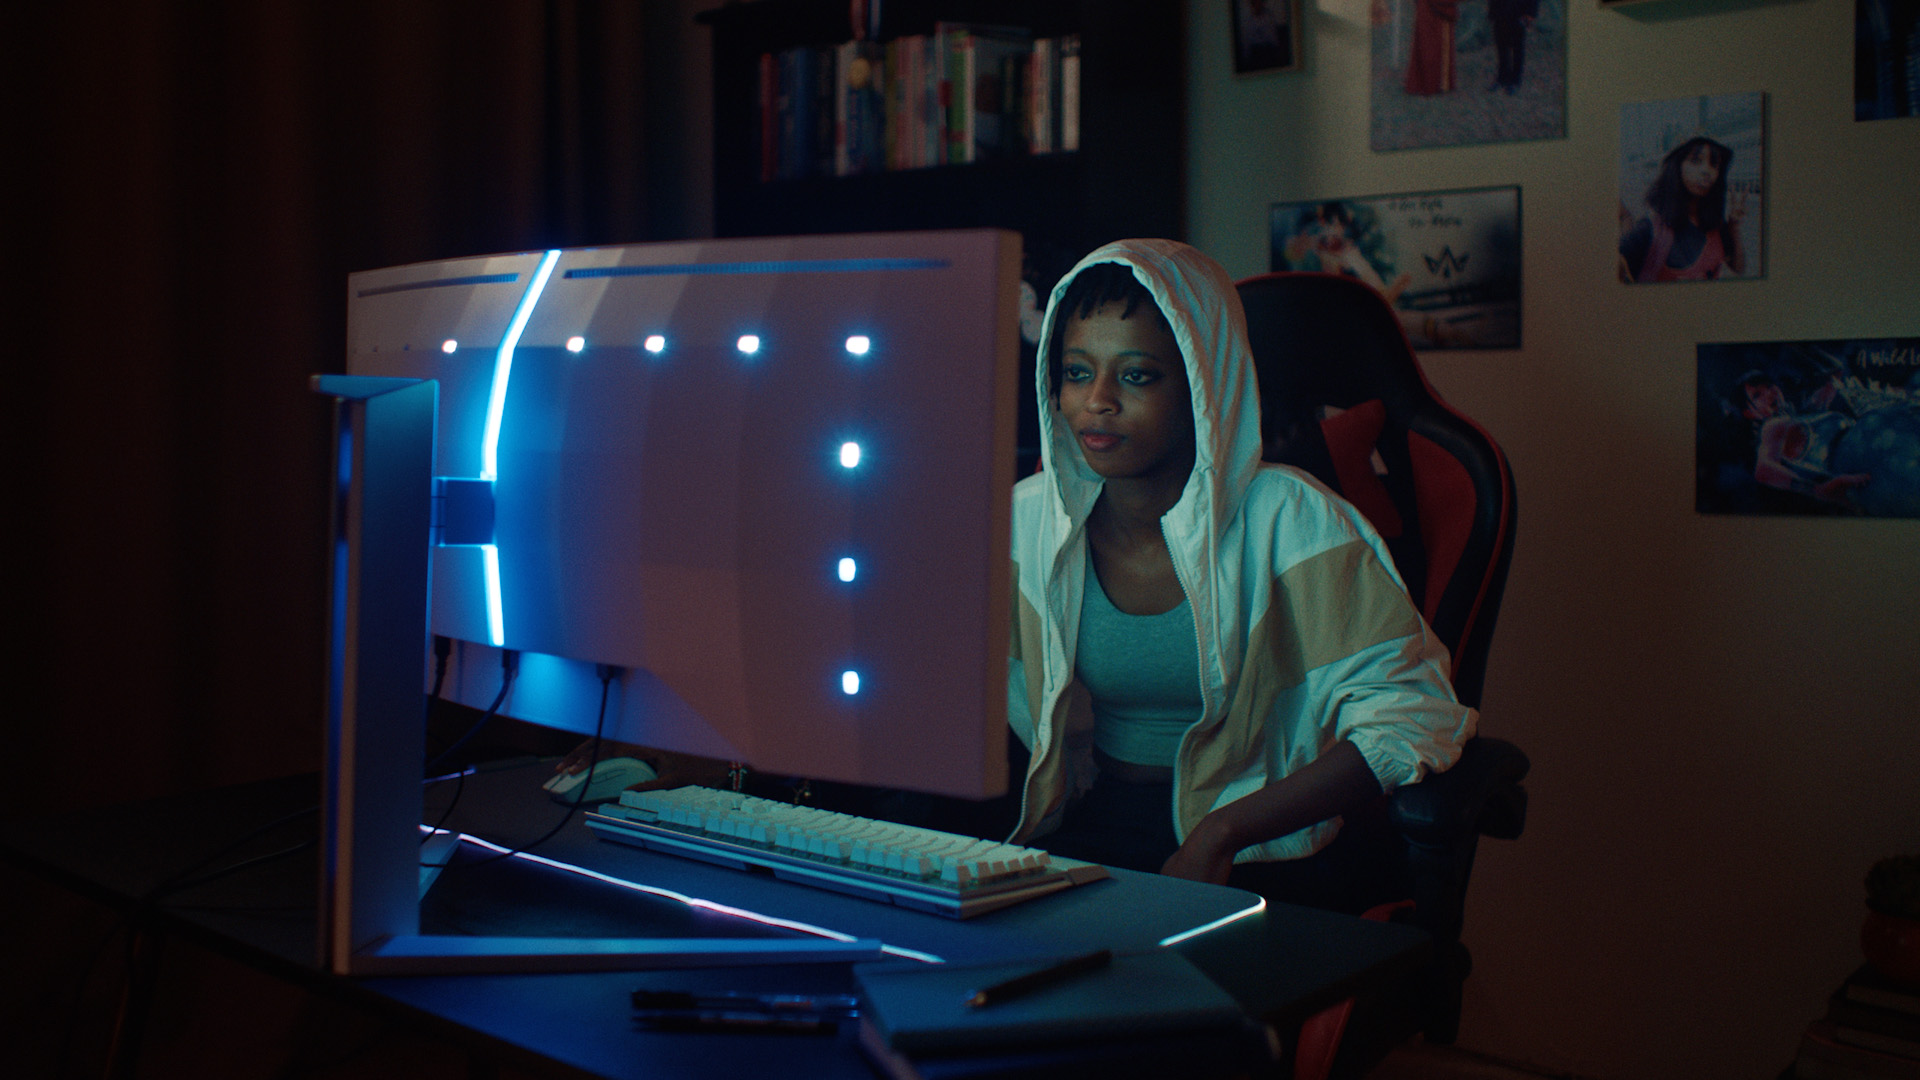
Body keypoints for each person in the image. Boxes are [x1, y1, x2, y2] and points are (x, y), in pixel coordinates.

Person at [1005, 239, 1473, 910]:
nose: (1098, 402)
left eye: (1136, 375)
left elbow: (1414, 715)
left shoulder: (1291, 519)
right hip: (1089, 830)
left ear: (1203, 384)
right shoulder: (1025, 521)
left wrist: (1225, 831)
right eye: (1078, 372)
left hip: (1264, 849)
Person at [1618, 135, 1748, 283]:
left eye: (1714, 164)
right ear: (1676, 167)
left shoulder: (1716, 225)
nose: (1706, 171)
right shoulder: (1649, 230)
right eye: (1695, 161)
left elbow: (1738, 269)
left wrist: (1734, 228)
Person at [1403, 0, 1460, 96]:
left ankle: (1423, 83)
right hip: (1432, 8)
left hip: (1428, 7)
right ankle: (1431, 84)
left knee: (1427, 43)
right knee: (1429, 43)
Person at [1487, 0, 1539, 95]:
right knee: (1501, 49)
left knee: (1517, 49)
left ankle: (1514, 81)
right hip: (1500, 13)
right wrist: (1492, 12)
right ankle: (1502, 78)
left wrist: (1530, 13)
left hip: (1518, 14)